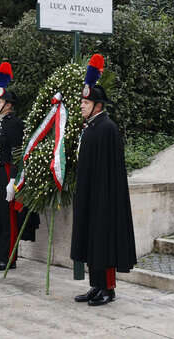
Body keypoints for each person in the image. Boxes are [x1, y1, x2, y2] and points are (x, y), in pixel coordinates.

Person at [71, 54, 137, 306]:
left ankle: (107, 288)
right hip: (89, 193)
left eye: (86, 102)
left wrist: (101, 195)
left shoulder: (107, 128)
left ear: (98, 105)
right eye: (82, 102)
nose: (82, 105)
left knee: (104, 241)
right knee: (91, 241)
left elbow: (111, 170)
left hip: (104, 196)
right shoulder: (90, 127)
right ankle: (95, 285)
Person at [0, 62, 39, 271]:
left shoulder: (14, 124)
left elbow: (17, 154)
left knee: (7, 218)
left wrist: (13, 180)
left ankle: (8, 258)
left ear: (8, 105)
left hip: (4, 175)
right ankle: (0, 256)